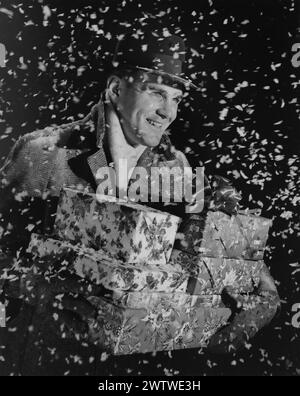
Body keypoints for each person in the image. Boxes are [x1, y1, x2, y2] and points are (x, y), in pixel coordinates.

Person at [0, 30, 279, 375]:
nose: (168, 112)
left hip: (134, 369)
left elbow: (229, 264)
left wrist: (263, 299)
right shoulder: (44, 155)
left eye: (176, 99)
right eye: (157, 93)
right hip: (46, 359)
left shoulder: (178, 168)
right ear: (116, 89)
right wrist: (36, 286)